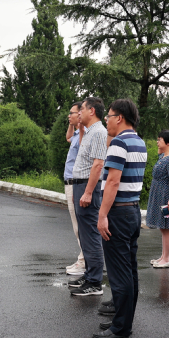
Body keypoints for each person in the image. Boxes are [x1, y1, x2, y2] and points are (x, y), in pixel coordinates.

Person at [93, 98, 148, 338]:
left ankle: (121, 328)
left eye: (109, 116)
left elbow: (113, 182)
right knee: (130, 270)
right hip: (132, 211)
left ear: (120, 118)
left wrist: (102, 215)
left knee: (119, 273)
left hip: (118, 212)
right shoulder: (139, 141)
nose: (106, 120)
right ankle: (123, 321)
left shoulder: (119, 142)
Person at [67, 97, 108, 297]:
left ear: (92, 111)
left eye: (81, 109)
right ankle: (89, 274)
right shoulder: (90, 131)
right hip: (80, 184)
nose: (79, 112)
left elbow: (98, 165)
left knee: (90, 234)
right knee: (84, 234)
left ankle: (95, 282)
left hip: (87, 185)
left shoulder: (99, 132)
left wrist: (88, 192)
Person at [147, 130, 169, 268]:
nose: (157, 142)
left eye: (160, 139)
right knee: (163, 227)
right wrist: (161, 148)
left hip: (166, 196)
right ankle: (163, 256)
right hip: (158, 194)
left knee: (166, 228)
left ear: (168, 143)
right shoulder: (163, 155)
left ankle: (167, 259)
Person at [63, 102, 87, 276]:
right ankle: (83, 259)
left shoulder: (84, 135)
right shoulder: (77, 134)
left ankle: (84, 261)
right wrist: (72, 125)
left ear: (80, 115)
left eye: (72, 113)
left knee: (80, 226)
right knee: (77, 225)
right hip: (71, 183)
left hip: (75, 183)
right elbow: (68, 138)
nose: (68, 116)